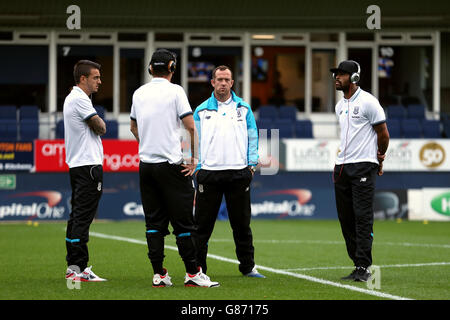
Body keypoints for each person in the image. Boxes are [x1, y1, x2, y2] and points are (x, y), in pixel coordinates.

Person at [130, 49, 219, 288]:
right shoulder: (176, 91)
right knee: (183, 223)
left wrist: (148, 145)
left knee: (154, 223)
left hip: (146, 165)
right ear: (172, 66)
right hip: (171, 166)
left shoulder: (139, 93)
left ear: (150, 68)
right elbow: (191, 127)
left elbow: (133, 127)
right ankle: (192, 272)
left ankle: (159, 274)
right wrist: (194, 160)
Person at [193, 65, 265, 278]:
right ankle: (197, 270)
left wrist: (251, 165)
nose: (223, 83)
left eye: (227, 79)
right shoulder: (200, 110)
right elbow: (193, 141)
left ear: (232, 83)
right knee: (202, 227)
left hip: (238, 173)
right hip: (209, 174)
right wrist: (197, 169)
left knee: (242, 225)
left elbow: (253, 137)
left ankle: (248, 267)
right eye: (219, 79)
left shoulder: (244, 108)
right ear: (212, 82)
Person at [330, 60, 390, 282]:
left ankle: (364, 266)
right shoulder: (339, 106)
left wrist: (380, 157)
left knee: (362, 218)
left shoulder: (368, 102)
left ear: (354, 78)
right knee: (346, 219)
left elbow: (383, 133)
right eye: (336, 74)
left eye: (342, 74)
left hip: (364, 165)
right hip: (341, 168)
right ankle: (357, 263)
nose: (337, 77)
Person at [64, 60, 107, 282]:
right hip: (88, 166)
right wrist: (98, 121)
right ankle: (77, 269)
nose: (100, 81)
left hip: (79, 165)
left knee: (77, 217)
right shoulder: (80, 99)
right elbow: (101, 127)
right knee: (82, 218)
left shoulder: (74, 98)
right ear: (83, 79)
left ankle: (74, 267)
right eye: (96, 77)